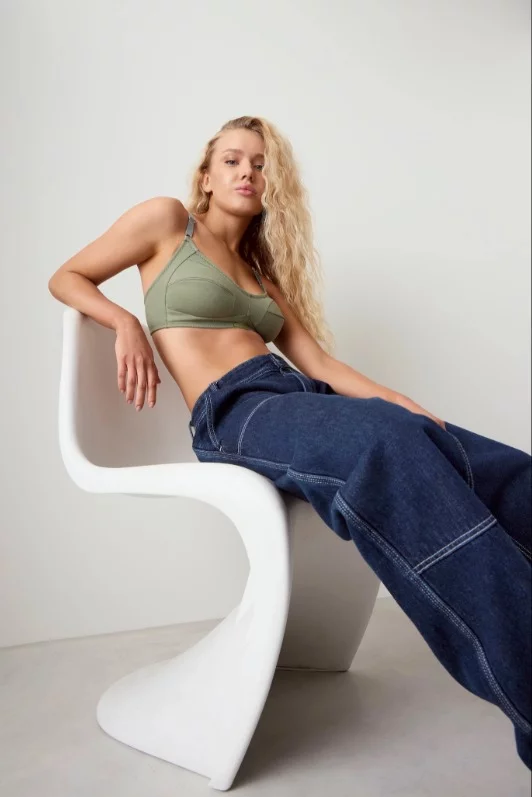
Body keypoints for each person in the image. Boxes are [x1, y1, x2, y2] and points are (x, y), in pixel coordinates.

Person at [48, 115, 531, 769]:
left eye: (260, 163)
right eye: (232, 160)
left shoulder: (260, 275)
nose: (247, 172)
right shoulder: (166, 222)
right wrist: (124, 320)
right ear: (206, 176)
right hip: (234, 412)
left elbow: (321, 365)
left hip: (298, 398)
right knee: (385, 450)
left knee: (489, 464)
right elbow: (67, 276)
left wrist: (404, 405)